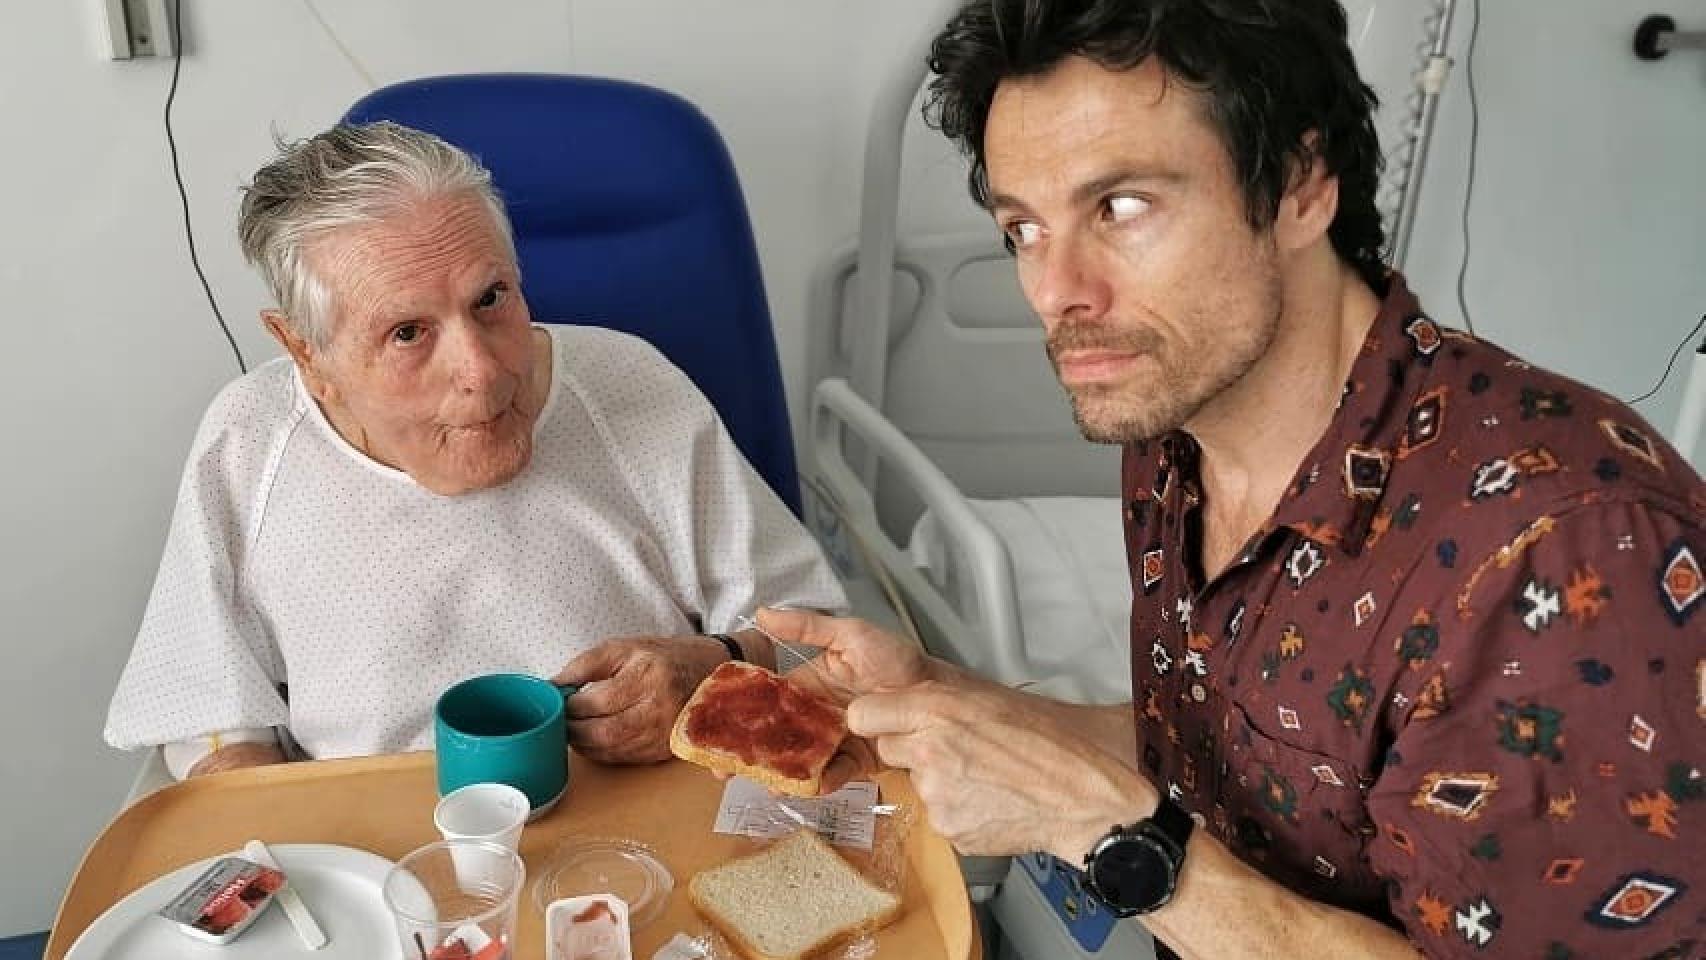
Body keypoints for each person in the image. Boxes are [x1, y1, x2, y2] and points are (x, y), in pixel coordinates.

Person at [760, 1, 1705, 958]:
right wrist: (954, 707)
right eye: (1023, 229)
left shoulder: (1566, 563)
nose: (1056, 293)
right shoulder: (1177, 436)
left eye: (1120, 207)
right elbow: (1236, 755)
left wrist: (1115, 835)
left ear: (1299, 187)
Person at [105, 121, 844, 779]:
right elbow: (203, 706)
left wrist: (719, 667)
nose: (484, 371)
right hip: (364, 852)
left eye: (492, 299)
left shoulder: (631, 386)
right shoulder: (250, 440)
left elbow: (818, 638)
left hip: (634, 824)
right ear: (307, 355)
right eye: (407, 333)